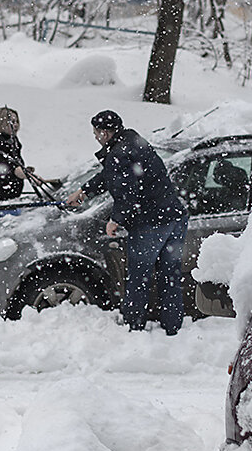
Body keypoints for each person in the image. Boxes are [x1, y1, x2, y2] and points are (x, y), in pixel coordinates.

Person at [65, 109, 189, 335]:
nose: (95, 136)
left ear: (105, 132)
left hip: (150, 221)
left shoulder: (119, 153)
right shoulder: (131, 141)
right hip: (174, 216)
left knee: (138, 277)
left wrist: (115, 220)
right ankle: (173, 328)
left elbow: (128, 191)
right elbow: (113, 175)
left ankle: (134, 327)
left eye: (96, 132)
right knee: (169, 275)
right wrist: (84, 191)